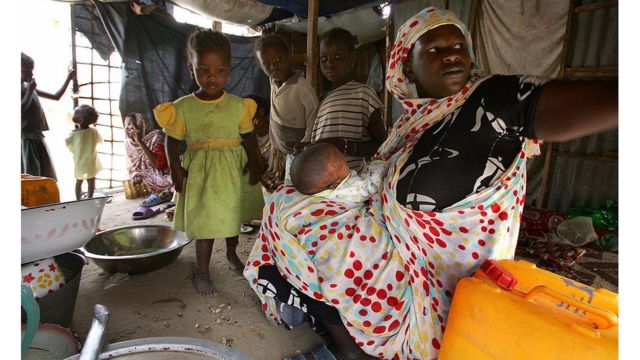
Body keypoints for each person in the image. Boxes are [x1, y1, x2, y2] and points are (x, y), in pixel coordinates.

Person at [244, 6, 617, 360]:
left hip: (440, 285)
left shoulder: (491, 102)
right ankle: (344, 338)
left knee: (296, 222)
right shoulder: (413, 121)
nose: (451, 55)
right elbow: (374, 176)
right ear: (408, 63)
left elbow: (536, 106)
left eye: (458, 46)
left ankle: (345, 339)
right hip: (391, 249)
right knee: (287, 206)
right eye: (435, 49)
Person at [154, 28, 266, 297]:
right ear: (191, 69)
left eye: (219, 71)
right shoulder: (182, 107)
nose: (212, 77)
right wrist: (176, 170)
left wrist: (255, 161)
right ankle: (202, 272)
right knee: (205, 226)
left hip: (232, 173)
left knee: (231, 219)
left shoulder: (240, 105)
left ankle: (231, 254)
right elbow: (171, 140)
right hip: (202, 175)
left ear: (228, 70)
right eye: (203, 70)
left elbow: (248, 136)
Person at [310, 28, 388, 172]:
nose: (330, 64)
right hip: (323, 179)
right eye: (324, 58)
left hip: (351, 183)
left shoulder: (364, 94)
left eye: (338, 57)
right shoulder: (323, 99)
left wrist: (343, 145)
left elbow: (382, 145)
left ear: (352, 59)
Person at [254, 34, 319, 184]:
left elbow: (313, 118)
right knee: (275, 181)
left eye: (278, 60)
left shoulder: (302, 88)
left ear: (288, 57)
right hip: (277, 148)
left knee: (294, 182)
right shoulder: (273, 80)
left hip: (298, 150)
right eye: (267, 64)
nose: (274, 67)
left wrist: (306, 143)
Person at [21, 52, 75, 180]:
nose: (31, 74)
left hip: (37, 137)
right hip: (27, 139)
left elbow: (56, 97)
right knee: (32, 178)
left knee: (45, 176)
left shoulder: (28, 87)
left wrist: (68, 78)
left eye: (31, 71)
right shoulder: (24, 88)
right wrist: (29, 91)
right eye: (26, 71)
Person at [290, 142, 386, 204]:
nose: (345, 160)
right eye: (344, 165)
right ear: (335, 185)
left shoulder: (318, 190)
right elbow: (371, 186)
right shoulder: (349, 188)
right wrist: (377, 164)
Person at [124, 112, 173, 206]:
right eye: (126, 125)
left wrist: (140, 142)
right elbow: (132, 167)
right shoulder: (128, 144)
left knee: (177, 179)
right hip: (149, 176)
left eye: (131, 125)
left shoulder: (156, 137)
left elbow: (158, 164)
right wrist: (135, 175)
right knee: (141, 178)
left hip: (165, 171)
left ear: (141, 124)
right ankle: (163, 192)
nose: (128, 129)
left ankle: (165, 192)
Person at [65, 105, 103, 200]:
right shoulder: (94, 131)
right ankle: (90, 197)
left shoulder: (74, 134)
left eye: (76, 113)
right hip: (91, 161)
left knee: (79, 180)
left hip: (79, 162)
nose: (74, 113)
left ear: (80, 120)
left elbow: (68, 144)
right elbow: (99, 141)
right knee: (91, 180)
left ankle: (78, 199)